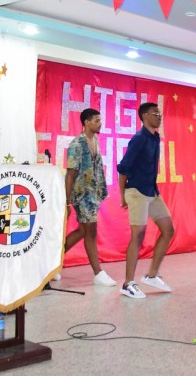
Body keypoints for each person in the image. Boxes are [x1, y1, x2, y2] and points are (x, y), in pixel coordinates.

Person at [116, 102, 175, 299]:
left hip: (152, 191)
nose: (159, 116)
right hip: (136, 191)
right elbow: (123, 168)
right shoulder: (139, 139)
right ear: (144, 116)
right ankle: (128, 284)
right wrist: (122, 195)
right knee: (138, 235)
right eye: (155, 113)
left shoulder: (155, 137)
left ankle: (151, 275)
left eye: (160, 113)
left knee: (168, 230)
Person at [63, 108, 116, 287]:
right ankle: (98, 273)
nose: (100, 124)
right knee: (91, 232)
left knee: (82, 231)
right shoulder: (77, 144)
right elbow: (70, 175)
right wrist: (67, 202)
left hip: (93, 194)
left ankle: (53, 264)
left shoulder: (95, 140)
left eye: (100, 120)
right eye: (96, 120)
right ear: (86, 122)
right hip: (81, 195)